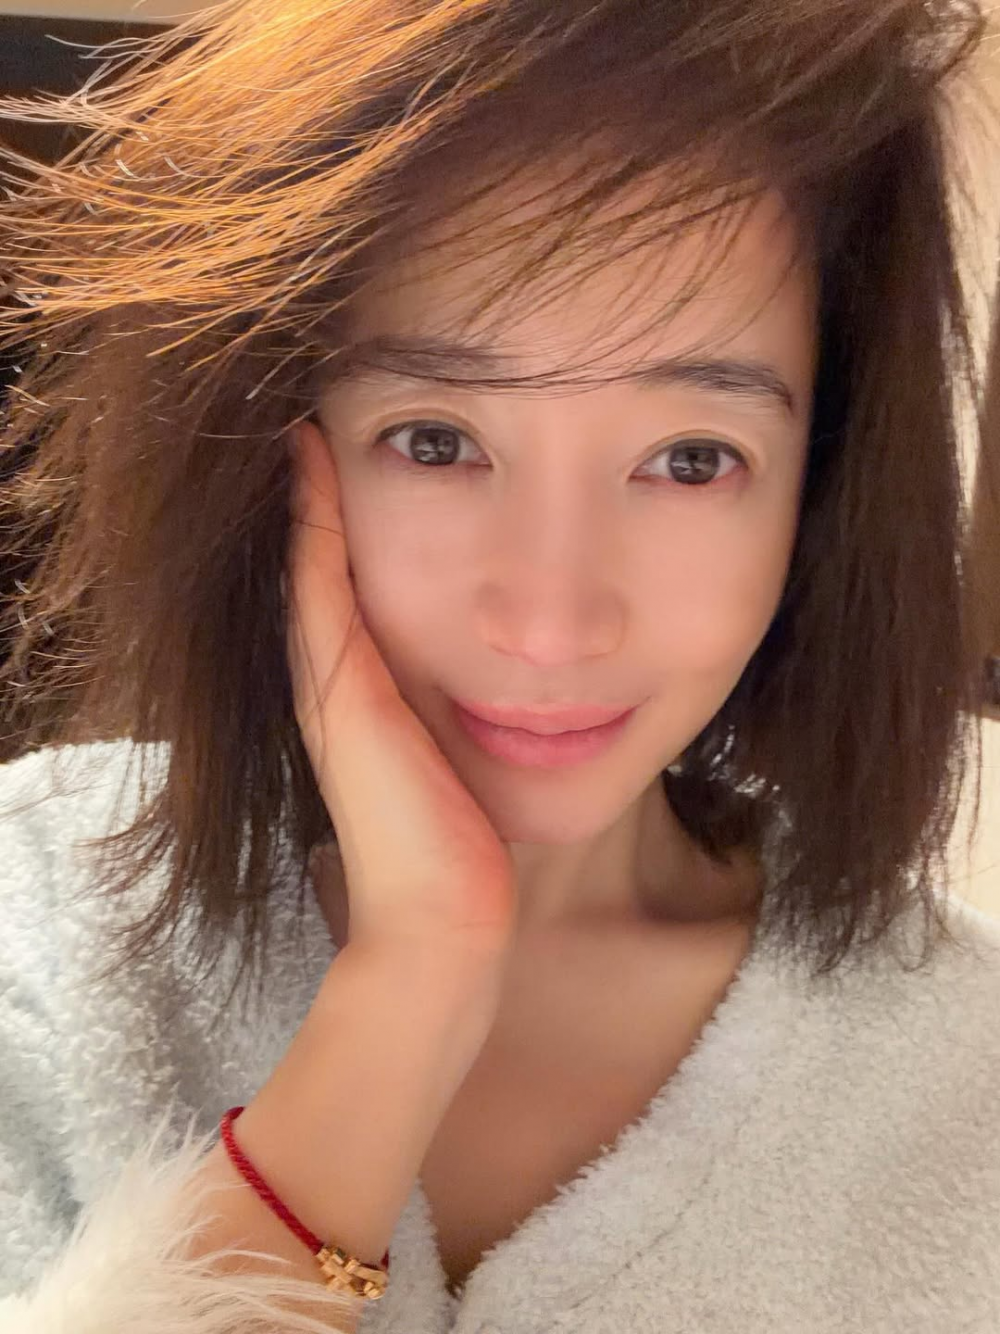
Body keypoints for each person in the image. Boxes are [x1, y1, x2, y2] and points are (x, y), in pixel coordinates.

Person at [0, 0, 999, 1329]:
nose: (551, 623)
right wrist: (407, 993)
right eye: (435, 441)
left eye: (692, 459)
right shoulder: (37, 918)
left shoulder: (963, 1074)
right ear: (272, 451)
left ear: (818, 495)